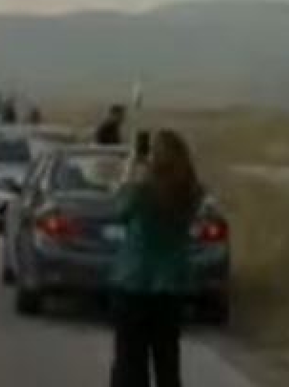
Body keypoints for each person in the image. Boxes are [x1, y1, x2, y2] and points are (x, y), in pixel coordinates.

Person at [110, 129, 204, 387]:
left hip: (134, 283)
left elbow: (118, 209)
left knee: (129, 363)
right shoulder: (191, 192)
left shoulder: (142, 191)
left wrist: (130, 169)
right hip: (171, 286)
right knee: (167, 362)